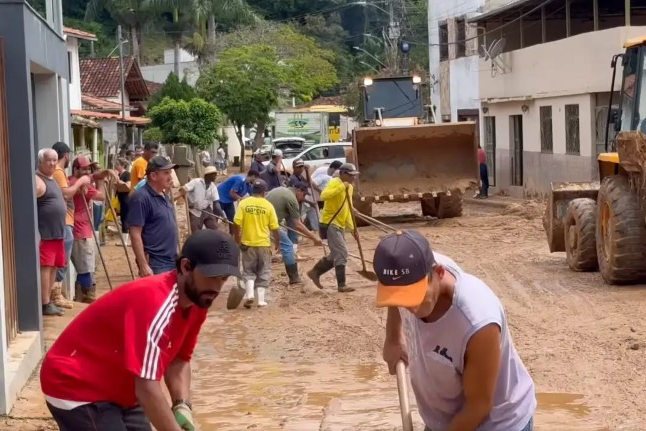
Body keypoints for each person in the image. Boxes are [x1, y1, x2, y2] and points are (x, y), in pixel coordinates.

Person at [40, 229, 241, 431]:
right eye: (211, 276)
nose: (217, 287)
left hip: (122, 386)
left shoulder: (198, 303)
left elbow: (179, 359)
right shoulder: (156, 303)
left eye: (223, 279)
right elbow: (147, 387)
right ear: (186, 267)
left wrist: (182, 405)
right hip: (75, 384)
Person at [375, 230, 536, 431]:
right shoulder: (410, 268)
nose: (411, 309)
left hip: (495, 423)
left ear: (439, 273)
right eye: (401, 299)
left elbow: (478, 406)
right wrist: (393, 338)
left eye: (415, 298)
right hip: (444, 419)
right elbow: (395, 294)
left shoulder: (478, 323)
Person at [307, 163, 359, 293]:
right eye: (351, 175)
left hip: (340, 224)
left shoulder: (350, 187)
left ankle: (315, 272)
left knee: (336, 253)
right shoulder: (335, 183)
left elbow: (346, 209)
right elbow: (324, 195)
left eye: (354, 176)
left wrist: (353, 229)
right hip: (330, 223)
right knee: (341, 253)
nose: (353, 178)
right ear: (343, 174)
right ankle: (342, 285)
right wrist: (342, 186)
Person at [51, 142, 91, 310]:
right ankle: (56, 295)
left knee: (60, 261)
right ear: (66, 156)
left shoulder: (57, 173)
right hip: (65, 222)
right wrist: (81, 181)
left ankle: (56, 295)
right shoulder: (59, 172)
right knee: (62, 261)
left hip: (66, 222)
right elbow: (66, 194)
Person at [129, 156, 180, 276]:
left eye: (170, 172)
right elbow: (135, 233)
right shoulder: (141, 198)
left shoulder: (163, 195)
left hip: (171, 259)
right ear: (153, 176)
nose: (170, 177)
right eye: (166, 173)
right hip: (156, 263)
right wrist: (143, 265)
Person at [233, 179, 280, 308]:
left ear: (252, 190)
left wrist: (238, 239)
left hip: (247, 243)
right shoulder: (268, 205)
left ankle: (249, 295)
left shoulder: (243, 203)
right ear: (264, 192)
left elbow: (236, 223)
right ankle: (261, 300)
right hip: (264, 244)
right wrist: (277, 243)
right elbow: (275, 227)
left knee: (248, 270)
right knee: (264, 271)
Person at [67, 156, 108, 303]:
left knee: (86, 267)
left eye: (88, 168)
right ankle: (86, 300)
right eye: (83, 168)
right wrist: (101, 181)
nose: (87, 171)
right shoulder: (78, 184)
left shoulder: (73, 180)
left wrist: (97, 175)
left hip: (81, 230)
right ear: (76, 169)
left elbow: (93, 177)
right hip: (81, 232)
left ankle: (81, 299)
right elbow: (101, 196)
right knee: (86, 269)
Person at [36, 149, 71, 316]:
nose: (52, 163)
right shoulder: (37, 180)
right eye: (48, 160)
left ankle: (48, 301)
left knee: (54, 267)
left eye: (54, 160)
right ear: (41, 161)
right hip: (47, 235)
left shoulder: (52, 179)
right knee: (46, 267)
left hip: (58, 233)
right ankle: (44, 303)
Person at [266, 184, 323, 285]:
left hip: (263, 221)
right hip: (267, 224)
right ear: (299, 191)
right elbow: (298, 225)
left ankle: (290, 256)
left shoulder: (281, 190)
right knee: (288, 246)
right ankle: (294, 278)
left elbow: (291, 221)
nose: (303, 198)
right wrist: (314, 237)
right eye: (304, 195)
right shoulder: (292, 199)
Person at [179, 166, 224, 233]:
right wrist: (188, 202)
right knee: (196, 233)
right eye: (214, 174)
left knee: (215, 230)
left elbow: (216, 203)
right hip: (195, 210)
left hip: (207, 210)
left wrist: (223, 215)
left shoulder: (213, 187)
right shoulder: (196, 182)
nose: (215, 176)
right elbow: (182, 189)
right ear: (208, 175)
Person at [287, 158, 319, 233]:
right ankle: (314, 230)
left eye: (302, 167)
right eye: (299, 167)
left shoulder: (300, 177)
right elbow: (297, 195)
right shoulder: (293, 179)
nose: (301, 169)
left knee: (310, 210)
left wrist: (307, 172)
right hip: (294, 203)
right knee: (295, 220)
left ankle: (315, 230)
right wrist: (310, 202)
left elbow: (308, 183)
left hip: (300, 202)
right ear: (294, 167)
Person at [114, 157, 132, 246]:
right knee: (123, 218)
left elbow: (128, 185)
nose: (116, 166)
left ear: (122, 165)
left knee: (125, 218)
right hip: (121, 199)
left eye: (117, 165)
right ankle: (124, 240)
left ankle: (125, 241)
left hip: (126, 199)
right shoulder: (120, 174)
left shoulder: (127, 174)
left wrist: (118, 180)